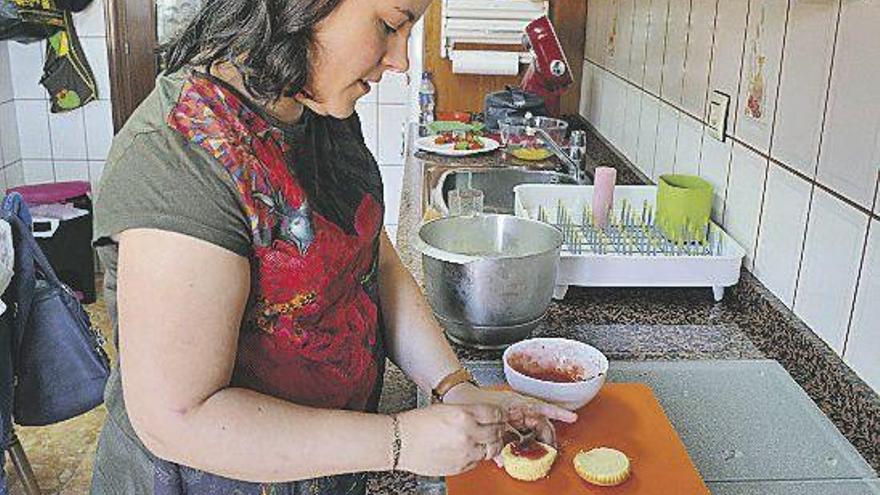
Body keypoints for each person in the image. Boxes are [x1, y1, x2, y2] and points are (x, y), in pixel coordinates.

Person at [90, 0, 577, 493]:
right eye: (390, 25)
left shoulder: (318, 106)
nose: (400, 59)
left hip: (324, 470)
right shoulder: (181, 157)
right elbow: (179, 418)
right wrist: (399, 441)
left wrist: (454, 387)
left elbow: (372, 261)